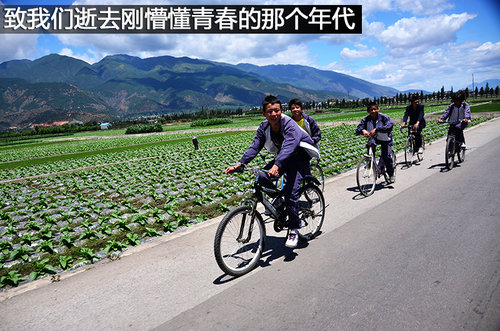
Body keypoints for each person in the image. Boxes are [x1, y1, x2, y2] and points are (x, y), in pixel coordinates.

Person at [225, 95, 319, 249]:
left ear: (281, 111)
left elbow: (290, 145)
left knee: (291, 194)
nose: (273, 114)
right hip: (284, 157)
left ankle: (294, 229)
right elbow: (255, 146)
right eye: (270, 112)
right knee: (262, 176)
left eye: (276, 111)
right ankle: (281, 202)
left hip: (300, 156)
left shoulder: (288, 123)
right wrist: (240, 164)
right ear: (264, 113)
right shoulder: (264, 127)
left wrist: (277, 165)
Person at [356, 102, 395, 183]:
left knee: (386, 156)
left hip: (385, 139)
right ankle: (371, 164)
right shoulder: (366, 119)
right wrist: (363, 131)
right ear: (368, 111)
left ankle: (391, 174)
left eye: (374, 109)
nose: (373, 111)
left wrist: (377, 129)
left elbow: (389, 125)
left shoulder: (384, 117)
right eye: (371, 110)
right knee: (370, 146)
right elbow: (359, 127)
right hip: (374, 138)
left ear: (377, 109)